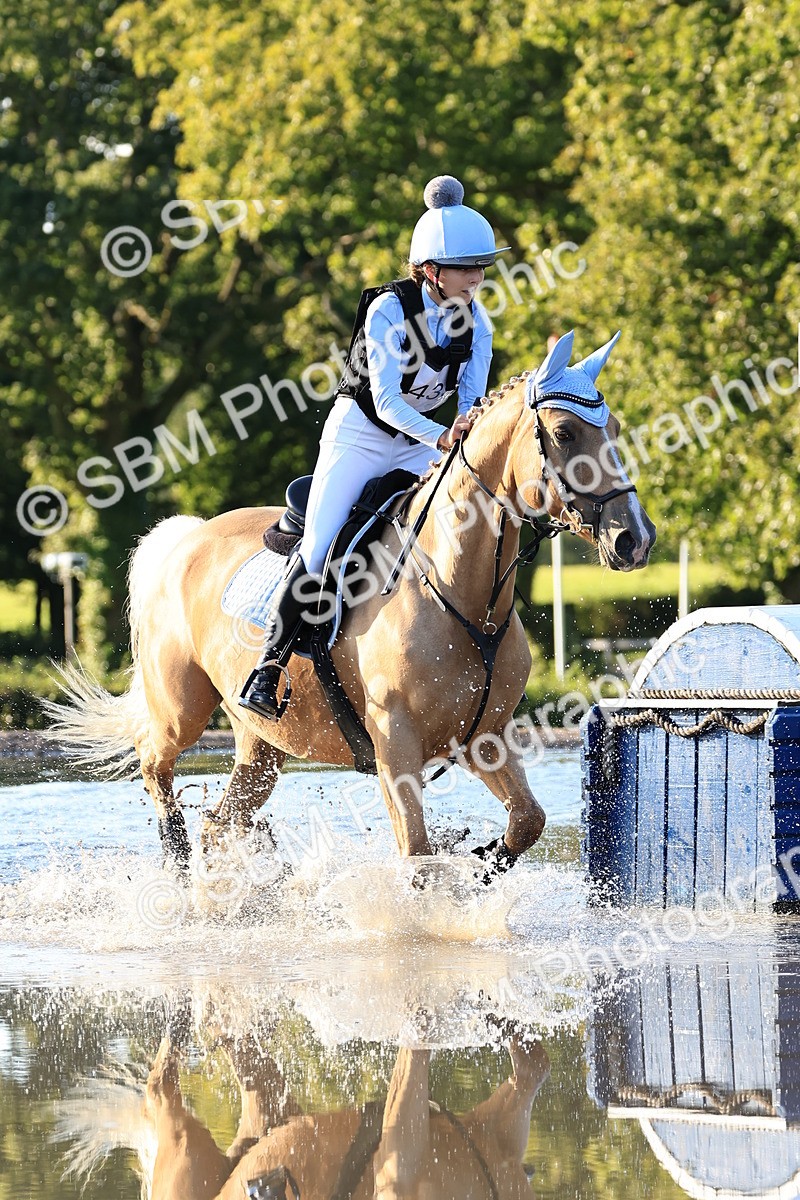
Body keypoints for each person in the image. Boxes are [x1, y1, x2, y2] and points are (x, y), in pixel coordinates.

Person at [240, 175, 509, 719]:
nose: (477, 278)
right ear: (430, 270)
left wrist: (465, 434)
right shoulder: (387, 310)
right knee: (318, 546)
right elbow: (385, 401)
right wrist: (441, 435)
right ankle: (267, 669)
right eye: (467, 267)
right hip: (359, 435)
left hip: (416, 443)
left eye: (482, 267)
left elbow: (472, 402)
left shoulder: (477, 322)